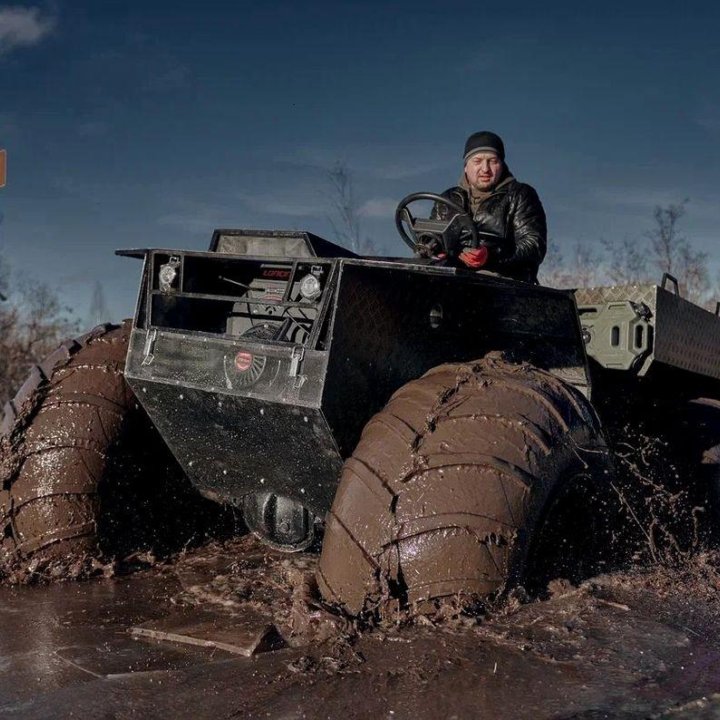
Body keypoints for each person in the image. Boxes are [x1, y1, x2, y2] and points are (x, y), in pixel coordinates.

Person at [431, 131, 547, 283]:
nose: (485, 169)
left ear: (502, 164)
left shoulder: (520, 195)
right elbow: (432, 237)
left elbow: (534, 244)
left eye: (492, 161)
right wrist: (433, 250)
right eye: (477, 161)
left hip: (504, 280)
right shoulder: (447, 199)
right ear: (466, 166)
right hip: (453, 274)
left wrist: (491, 255)